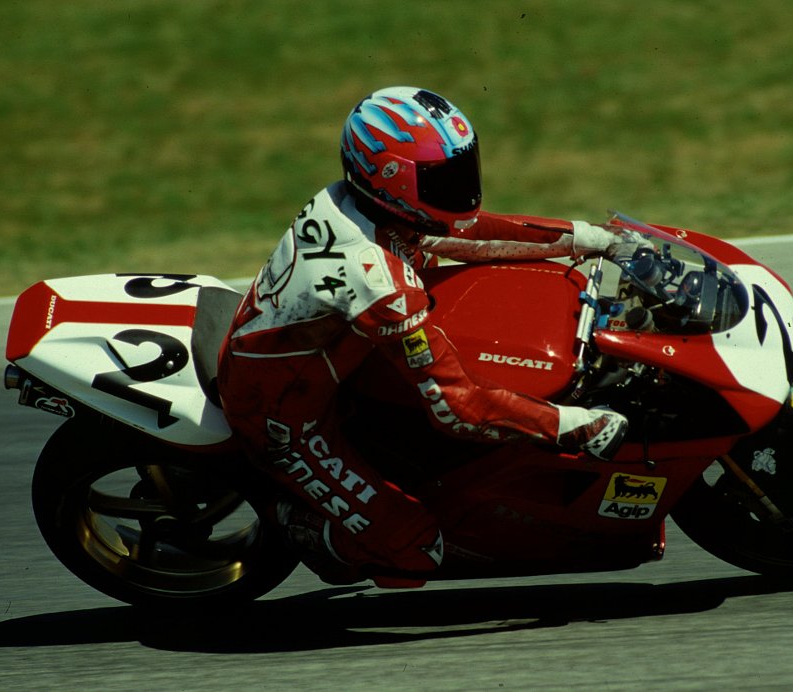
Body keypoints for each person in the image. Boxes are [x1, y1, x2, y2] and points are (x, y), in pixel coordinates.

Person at [216, 86, 648, 586]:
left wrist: (595, 240)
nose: (462, 188)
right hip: (285, 418)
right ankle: (291, 522)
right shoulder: (376, 278)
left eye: (463, 169)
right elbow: (454, 408)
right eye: (442, 179)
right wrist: (574, 427)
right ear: (394, 181)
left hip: (340, 359)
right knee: (414, 551)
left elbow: (472, 233)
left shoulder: (361, 201)